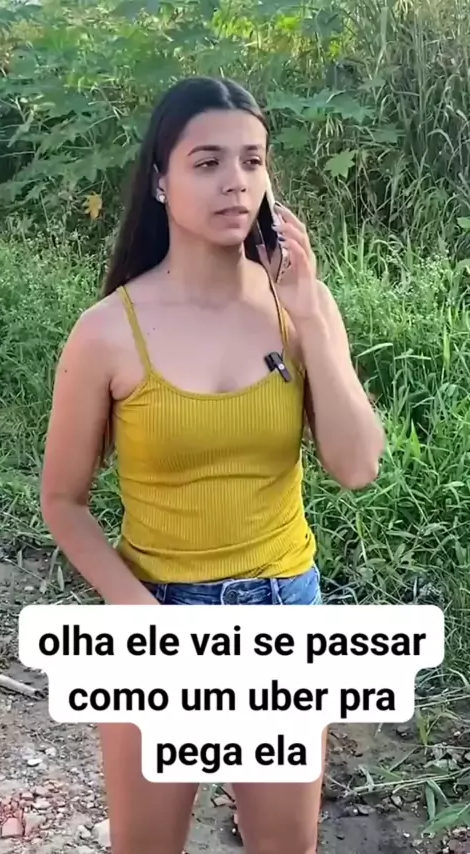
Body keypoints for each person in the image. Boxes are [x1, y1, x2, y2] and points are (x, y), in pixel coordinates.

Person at [40, 76, 385, 854]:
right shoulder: (106, 332)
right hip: (157, 615)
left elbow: (358, 466)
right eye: (207, 162)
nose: (236, 180)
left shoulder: (301, 307)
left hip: (281, 614)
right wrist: (138, 616)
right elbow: (63, 500)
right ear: (161, 181)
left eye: (253, 160)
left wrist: (309, 313)